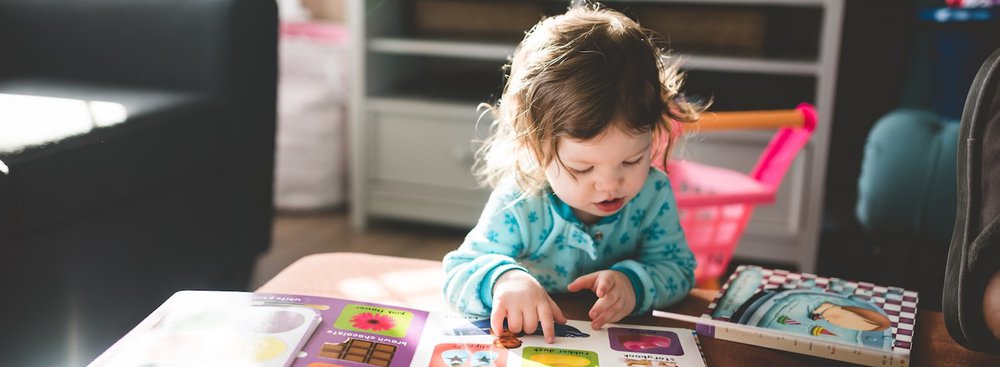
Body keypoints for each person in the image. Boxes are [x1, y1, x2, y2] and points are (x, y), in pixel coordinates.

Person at [442, 3, 706, 344]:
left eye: (632, 161)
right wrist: (504, 280)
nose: (611, 184)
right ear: (536, 149)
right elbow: (458, 272)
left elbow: (679, 270)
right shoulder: (521, 200)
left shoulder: (653, 194)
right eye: (583, 168)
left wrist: (633, 283)